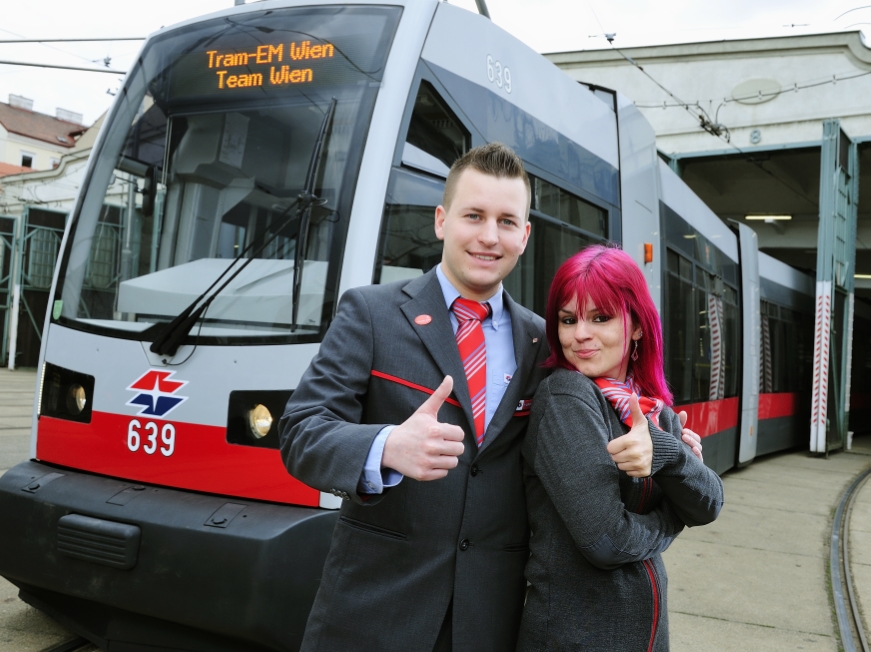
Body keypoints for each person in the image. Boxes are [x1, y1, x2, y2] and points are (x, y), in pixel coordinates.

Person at [280, 143, 700, 652]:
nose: (488, 236)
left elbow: (587, 439)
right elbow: (302, 430)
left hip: (490, 621)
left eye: (506, 221)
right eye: (473, 216)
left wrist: (670, 453)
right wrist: (386, 446)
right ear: (441, 221)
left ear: (524, 235)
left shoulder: (549, 341)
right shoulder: (372, 314)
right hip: (373, 613)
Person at [516, 245, 724, 652]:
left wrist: (669, 453)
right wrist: (672, 522)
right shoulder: (566, 395)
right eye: (568, 319)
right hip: (573, 639)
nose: (580, 334)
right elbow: (606, 541)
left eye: (600, 318)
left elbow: (710, 503)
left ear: (638, 326)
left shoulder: (650, 409)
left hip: (642, 636)